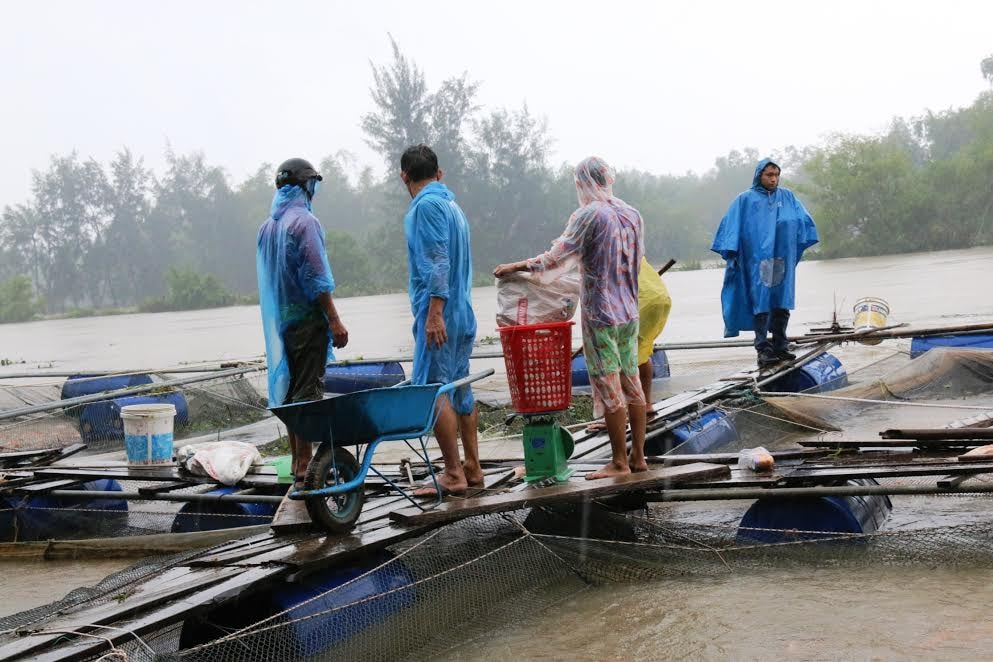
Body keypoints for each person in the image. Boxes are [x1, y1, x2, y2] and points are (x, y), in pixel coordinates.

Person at [495, 157, 647, 480]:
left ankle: (619, 461)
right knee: (631, 379)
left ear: (582, 184)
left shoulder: (589, 215)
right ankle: (639, 458)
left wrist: (515, 267)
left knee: (609, 385)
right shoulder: (631, 214)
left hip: (602, 313)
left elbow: (554, 259)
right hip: (629, 312)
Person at [257, 157, 348, 486]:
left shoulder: (269, 226)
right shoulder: (304, 222)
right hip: (308, 321)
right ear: (305, 185)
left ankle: (298, 461)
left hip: (283, 322)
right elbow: (317, 277)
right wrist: (334, 320)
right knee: (307, 393)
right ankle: (306, 466)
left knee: (292, 391)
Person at [400, 144, 482, 496]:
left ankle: (453, 473)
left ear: (404, 176)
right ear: (439, 173)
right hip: (461, 310)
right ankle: (473, 467)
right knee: (460, 385)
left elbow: (438, 262)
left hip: (443, 313)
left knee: (436, 389)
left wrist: (434, 314)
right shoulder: (452, 205)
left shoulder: (426, 207)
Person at [711, 158, 818, 368]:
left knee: (781, 302)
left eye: (777, 175)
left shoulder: (787, 197)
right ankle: (763, 348)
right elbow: (730, 228)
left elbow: (804, 222)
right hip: (756, 261)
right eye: (769, 175)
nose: (773, 179)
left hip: (782, 259)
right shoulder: (745, 200)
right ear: (759, 175)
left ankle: (781, 344)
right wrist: (735, 254)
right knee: (761, 303)